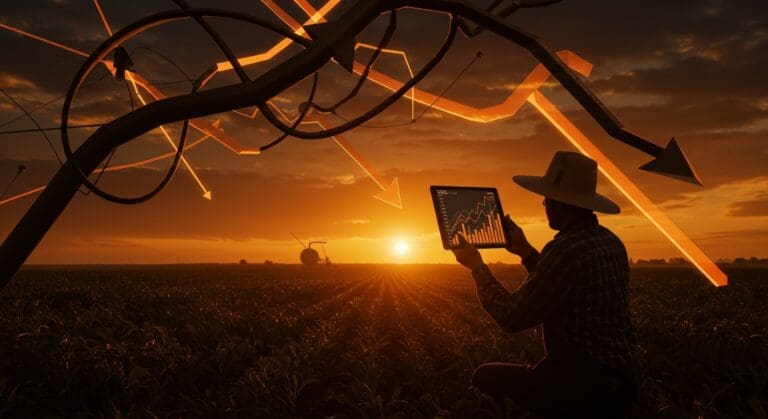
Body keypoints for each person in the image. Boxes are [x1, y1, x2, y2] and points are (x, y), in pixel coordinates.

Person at [451, 151, 636, 418]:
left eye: (547, 200)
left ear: (559, 204)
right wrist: (525, 250)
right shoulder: (611, 242)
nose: (544, 205)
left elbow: (512, 316)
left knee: (485, 378)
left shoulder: (564, 249)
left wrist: (477, 267)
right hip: (621, 383)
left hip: (581, 387)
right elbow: (564, 282)